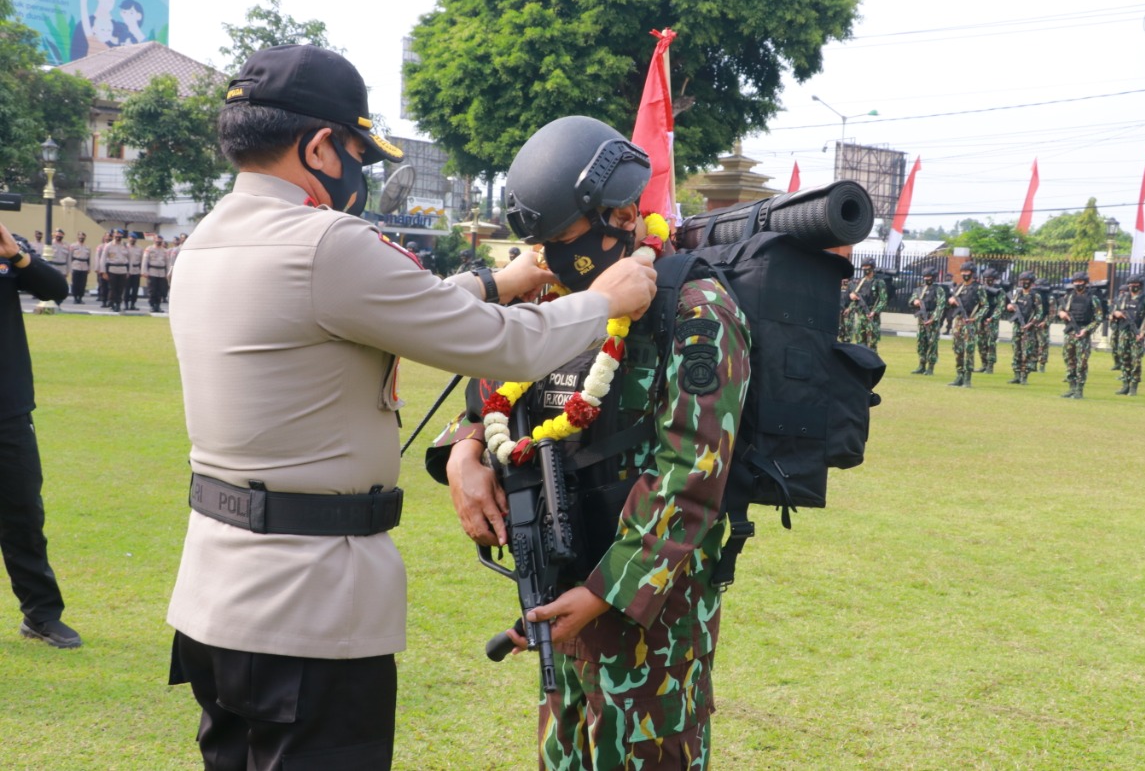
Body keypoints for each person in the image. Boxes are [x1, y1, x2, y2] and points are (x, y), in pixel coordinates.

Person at [163, 47, 657, 770]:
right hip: (308, 614)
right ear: (321, 145)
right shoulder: (327, 243)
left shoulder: (206, 240)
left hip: (218, 600)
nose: (359, 171)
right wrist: (606, 300)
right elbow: (501, 347)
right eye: (358, 152)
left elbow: (373, 309)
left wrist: (498, 280)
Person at [431, 115, 749, 770]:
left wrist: (604, 594)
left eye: (559, 238)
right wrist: (464, 449)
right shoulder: (557, 299)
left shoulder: (693, 309)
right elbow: (494, 392)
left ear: (623, 213)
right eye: (538, 242)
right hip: (561, 587)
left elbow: (691, 471)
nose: (545, 256)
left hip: (647, 617)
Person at [0, 220, 81, 649]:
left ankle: (41, 615)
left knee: (23, 516)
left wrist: (15, 254)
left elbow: (55, 289)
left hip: (8, 409)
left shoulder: (8, 249)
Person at [1056, 271, 1102, 399]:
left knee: (1081, 362)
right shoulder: (1068, 297)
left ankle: (1079, 389)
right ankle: (1071, 387)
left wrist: (1086, 330)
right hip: (1069, 332)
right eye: (1075, 282)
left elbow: (1098, 318)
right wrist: (1061, 314)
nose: (1078, 284)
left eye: (1080, 282)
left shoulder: (1093, 298)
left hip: (1082, 333)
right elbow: (1059, 309)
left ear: (1086, 283)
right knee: (1069, 359)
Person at [1110, 274, 1145, 396]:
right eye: (1130, 284)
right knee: (1124, 358)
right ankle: (1125, 384)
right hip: (1124, 331)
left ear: (1140, 285)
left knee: (1136, 360)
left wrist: (1143, 332)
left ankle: (1133, 386)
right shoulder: (1123, 298)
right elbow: (1113, 311)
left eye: (1135, 284)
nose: (1132, 287)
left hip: (1137, 333)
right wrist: (1115, 314)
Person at [946, 262, 986, 387]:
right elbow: (950, 305)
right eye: (962, 272)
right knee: (958, 350)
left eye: (967, 272)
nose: (964, 274)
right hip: (958, 323)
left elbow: (985, 306)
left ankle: (967, 378)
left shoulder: (978, 288)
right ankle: (959, 376)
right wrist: (951, 301)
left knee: (968, 350)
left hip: (970, 323)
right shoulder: (959, 287)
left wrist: (976, 318)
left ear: (972, 273)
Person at [1004, 270, 1043, 385]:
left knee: (1027, 352)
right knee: (1016, 350)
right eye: (1022, 281)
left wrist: (1031, 324)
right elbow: (1010, 305)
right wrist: (1010, 307)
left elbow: (1039, 313)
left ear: (1031, 282)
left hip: (1028, 327)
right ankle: (1016, 375)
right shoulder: (1017, 294)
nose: (1024, 283)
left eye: (1026, 281)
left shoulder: (1035, 296)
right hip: (1017, 326)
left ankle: (1024, 376)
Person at [908, 268, 947, 374]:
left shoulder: (938, 290)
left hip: (932, 320)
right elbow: (911, 300)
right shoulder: (919, 289)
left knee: (932, 343)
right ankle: (921, 364)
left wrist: (933, 318)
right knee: (921, 342)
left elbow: (941, 305)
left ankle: (930, 367)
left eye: (929, 277)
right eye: (925, 277)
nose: (927, 279)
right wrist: (914, 302)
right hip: (921, 320)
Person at [846, 258, 887, 351]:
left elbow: (883, 300)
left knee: (872, 345)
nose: (865, 269)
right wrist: (850, 303)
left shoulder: (879, 282)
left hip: (872, 317)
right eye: (863, 267)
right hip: (861, 317)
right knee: (860, 344)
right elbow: (854, 297)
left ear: (872, 268)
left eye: (867, 267)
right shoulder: (860, 282)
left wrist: (875, 311)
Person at [977, 268, 1002, 373]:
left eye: (990, 279)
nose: (988, 281)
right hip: (981, 319)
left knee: (990, 343)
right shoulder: (981, 290)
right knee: (980, 342)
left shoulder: (999, 291)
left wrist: (992, 318)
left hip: (991, 321)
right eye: (986, 278)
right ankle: (983, 364)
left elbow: (1001, 307)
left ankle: (990, 366)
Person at [100, 229, 130, 312]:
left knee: (120, 288)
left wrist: (128, 271)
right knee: (113, 288)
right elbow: (103, 259)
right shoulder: (108, 246)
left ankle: (118, 304)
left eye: (120, 235)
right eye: (116, 235)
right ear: (113, 235)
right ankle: (112, 302)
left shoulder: (125, 245)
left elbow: (129, 259)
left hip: (123, 269)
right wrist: (103, 271)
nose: (118, 237)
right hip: (112, 269)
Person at [141, 233, 170, 313]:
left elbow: (167, 263)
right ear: (154, 240)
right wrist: (144, 271)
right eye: (157, 240)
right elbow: (145, 260)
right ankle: (152, 305)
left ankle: (158, 305)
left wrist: (168, 273)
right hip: (152, 271)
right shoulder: (149, 249)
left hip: (161, 272)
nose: (158, 241)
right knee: (152, 290)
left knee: (160, 290)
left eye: (160, 240)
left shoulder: (165, 251)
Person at [69, 232, 92, 304]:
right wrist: (70, 268)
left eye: (83, 237)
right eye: (80, 237)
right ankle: (75, 297)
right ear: (77, 237)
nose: (81, 238)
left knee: (83, 284)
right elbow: (70, 257)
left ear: (85, 238)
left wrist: (89, 267)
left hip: (84, 266)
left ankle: (80, 297)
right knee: (75, 283)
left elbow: (89, 259)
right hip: (76, 266)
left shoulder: (87, 247)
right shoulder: (73, 246)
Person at [125, 232, 144, 311]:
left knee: (135, 289)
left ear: (136, 239)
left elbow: (142, 260)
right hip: (127, 271)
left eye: (134, 238)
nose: (132, 239)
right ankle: (126, 304)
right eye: (131, 237)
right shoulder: (124, 247)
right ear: (128, 238)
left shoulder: (140, 248)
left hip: (136, 271)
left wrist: (142, 271)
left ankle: (133, 304)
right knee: (126, 289)